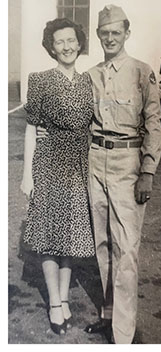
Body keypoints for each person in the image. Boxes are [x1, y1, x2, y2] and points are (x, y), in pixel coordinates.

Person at [83, 5, 161, 344]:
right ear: (99, 36)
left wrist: (148, 170)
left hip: (128, 164)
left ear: (127, 33)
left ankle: (124, 337)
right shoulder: (91, 76)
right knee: (102, 244)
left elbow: (153, 125)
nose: (110, 38)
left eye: (116, 32)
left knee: (126, 249)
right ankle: (110, 317)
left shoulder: (143, 72)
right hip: (94, 160)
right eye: (105, 33)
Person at [20, 18, 95, 335]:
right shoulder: (40, 80)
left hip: (80, 165)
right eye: (59, 42)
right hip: (49, 163)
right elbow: (30, 128)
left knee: (72, 236)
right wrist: (27, 175)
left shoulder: (89, 81)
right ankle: (53, 302)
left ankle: (64, 298)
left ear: (79, 43)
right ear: (51, 48)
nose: (66, 46)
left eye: (71, 40)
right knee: (51, 236)